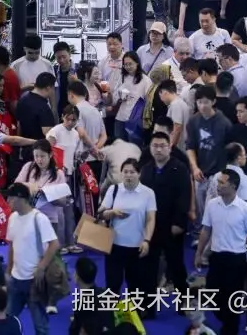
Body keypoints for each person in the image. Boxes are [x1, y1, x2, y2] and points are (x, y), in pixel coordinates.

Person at [195, 168, 247, 335]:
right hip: (216, 257)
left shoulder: (245, 209)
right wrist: (199, 253)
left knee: (233, 299)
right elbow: (206, 230)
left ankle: (230, 329)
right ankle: (226, 320)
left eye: (222, 182)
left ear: (233, 186)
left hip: (237, 259)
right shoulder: (212, 205)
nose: (218, 185)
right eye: (218, 182)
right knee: (212, 294)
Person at [98, 158, 157, 306]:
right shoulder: (114, 190)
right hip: (114, 245)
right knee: (112, 285)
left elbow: (151, 219)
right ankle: (110, 314)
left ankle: (134, 315)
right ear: (121, 173)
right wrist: (112, 212)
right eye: (125, 172)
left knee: (135, 286)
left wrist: (147, 240)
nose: (128, 175)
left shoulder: (148, 193)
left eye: (132, 172)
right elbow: (101, 214)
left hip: (136, 246)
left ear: (139, 174)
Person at [140, 132, 191, 294]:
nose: (158, 150)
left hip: (172, 225)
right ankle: (149, 302)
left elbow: (184, 196)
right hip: (151, 225)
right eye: (155, 146)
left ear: (169, 147)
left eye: (162, 146)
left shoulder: (180, 168)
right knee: (149, 266)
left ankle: (184, 299)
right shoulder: (146, 169)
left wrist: (179, 222)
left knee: (176, 264)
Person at [4, 182, 57, 335]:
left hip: (34, 280)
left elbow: (54, 244)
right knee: (7, 319)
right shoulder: (12, 218)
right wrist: (9, 270)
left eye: (10, 198)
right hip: (16, 279)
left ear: (20, 198)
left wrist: (41, 267)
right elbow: (12, 245)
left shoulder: (39, 219)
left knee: (40, 325)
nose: (7, 201)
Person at [187, 86, 233, 230]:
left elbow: (229, 150)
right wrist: (195, 167)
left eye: (206, 102)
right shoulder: (193, 121)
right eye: (199, 102)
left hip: (217, 173)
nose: (202, 106)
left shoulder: (224, 123)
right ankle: (198, 233)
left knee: (213, 209)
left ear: (213, 102)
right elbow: (190, 147)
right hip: (200, 172)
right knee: (200, 208)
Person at [15, 140, 70, 258]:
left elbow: (63, 201)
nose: (39, 160)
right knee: (29, 254)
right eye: (36, 156)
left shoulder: (59, 174)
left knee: (51, 257)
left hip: (50, 219)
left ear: (50, 155)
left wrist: (47, 195)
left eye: (42, 156)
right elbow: (16, 186)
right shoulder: (28, 167)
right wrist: (30, 186)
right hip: (28, 217)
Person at [113, 52, 152, 143]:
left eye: (130, 64)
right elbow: (114, 97)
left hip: (135, 120)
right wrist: (119, 98)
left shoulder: (145, 80)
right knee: (119, 145)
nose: (128, 67)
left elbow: (149, 100)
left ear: (137, 63)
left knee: (134, 147)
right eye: (125, 64)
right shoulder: (122, 77)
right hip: (121, 117)